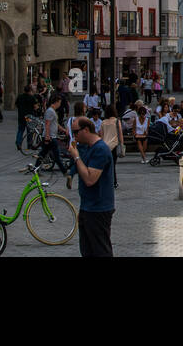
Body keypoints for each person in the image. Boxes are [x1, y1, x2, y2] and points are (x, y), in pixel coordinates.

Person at [67, 116, 114, 257]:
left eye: (75, 132)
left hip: (99, 209)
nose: (73, 136)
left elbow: (89, 179)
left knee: (100, 251)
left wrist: (76, 157)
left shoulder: (100, 150)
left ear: (86, 130)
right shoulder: (89, 148)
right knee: (88, 251)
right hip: (89, 208)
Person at [40, 93, 73, 187]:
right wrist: (47, 136)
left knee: (43, 153)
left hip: (51, 136)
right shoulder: (50, 111)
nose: (60, 104)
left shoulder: (52, 111)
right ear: (56, 102)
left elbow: (55, 124)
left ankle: (36, 168)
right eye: (59, 102)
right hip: (50, 137)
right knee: (56, 155)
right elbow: (47, 124)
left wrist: (63, 130)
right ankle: (65, 172)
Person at [14, 85, 38, 151]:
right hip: (29, 117)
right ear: (30, 91)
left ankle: (18, 143)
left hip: (21, 116)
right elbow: (36, 107)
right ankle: (29, 144)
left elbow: (16, 105)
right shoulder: (32, 97)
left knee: (20, 130)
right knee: (30, 131)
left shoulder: (20, 97)